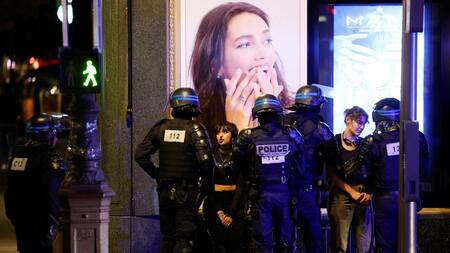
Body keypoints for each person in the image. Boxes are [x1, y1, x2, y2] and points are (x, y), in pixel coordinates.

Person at [190, 1, 293, 139]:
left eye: (267, 40)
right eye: (244, 45)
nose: (263, 54)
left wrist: (270, 115)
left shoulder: (297, 115)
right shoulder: (195, 128)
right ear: (215, 66)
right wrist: (237, 132)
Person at [134, 87, 215, 253]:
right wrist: (207, 188)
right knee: (185, 238)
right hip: (187, 192)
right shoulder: (195, 129)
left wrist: (157, 174)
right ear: (194, 107)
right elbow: (207, 164)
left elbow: (140, 155)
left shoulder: (161, 128)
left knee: (169, 237)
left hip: (164, 191)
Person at [230, 94, 304, 253]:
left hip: (260, 197)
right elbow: (301, 168)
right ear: (278, 114)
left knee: (263, 244)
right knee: (286, 243)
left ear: (257, 115)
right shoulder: (292, 134)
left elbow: (233, 168)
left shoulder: (247, 136)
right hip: (284, 196)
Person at [357, 98, 429, 253]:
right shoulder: (415, 136)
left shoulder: (372, 141)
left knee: (386, 245)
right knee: (410, 243)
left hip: (384, 200)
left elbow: (363, 174)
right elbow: (424, 169)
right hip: (410, 197)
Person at [4, 113, 67, 253]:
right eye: (54, 134)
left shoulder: (17, 156)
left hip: (20, 219)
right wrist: (58, 218)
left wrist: (13, 216)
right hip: (42, 221)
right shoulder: (48, 159)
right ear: (48, 136)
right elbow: (51, 192)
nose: (56, 138)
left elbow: (10, 190)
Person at [284, 85, 335, 253]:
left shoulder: (283, 125)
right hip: (308, 192)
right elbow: (335, 161)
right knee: (313, 242)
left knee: (285, 241)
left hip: (282, 192)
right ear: (317, 104)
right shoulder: (322, 129)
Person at [327, 106, 373, 253]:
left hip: (363, 196)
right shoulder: (333, 143)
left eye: (364, 123)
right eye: (359, 122)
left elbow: (372, 170)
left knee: (364, 245)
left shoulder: (365, 144)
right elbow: (331, 174)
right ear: (348, 120)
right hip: (342, 196)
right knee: (341, 245)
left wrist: (369, 193)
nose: (362, 126)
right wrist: (351, 192)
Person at [202, 122, 246, 253]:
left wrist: (231, 214)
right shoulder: (211, 155)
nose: (220, 136)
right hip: (214, 205)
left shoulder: (239, 155)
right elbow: (207, 184)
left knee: (236, 244)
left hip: (235, 205)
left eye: (225, 132)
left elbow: (241, 185)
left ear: (233, 135)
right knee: (218, 245)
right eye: (218, 132)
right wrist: (219, 211)